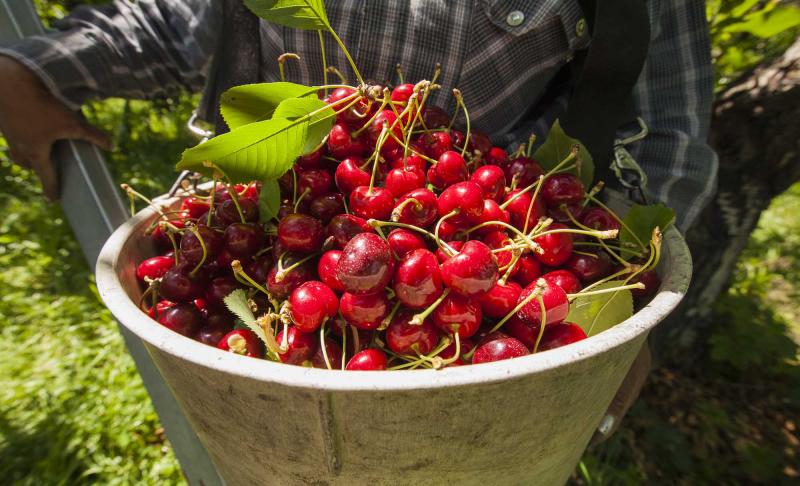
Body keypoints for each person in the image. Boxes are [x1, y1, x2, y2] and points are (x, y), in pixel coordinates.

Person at [0, 0, 716, 441]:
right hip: (262, 237)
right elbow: (171, 21)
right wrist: (33, 69)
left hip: (492, 257)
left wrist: (630, 310)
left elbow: (668, 123)